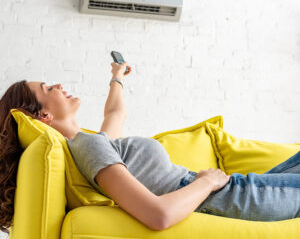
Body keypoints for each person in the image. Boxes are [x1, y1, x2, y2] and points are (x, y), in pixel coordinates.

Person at [0, 61, 299, 234]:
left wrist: (116, 77)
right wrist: (207, 181)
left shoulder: (90, 144)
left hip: (231, 193)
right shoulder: (88, 148)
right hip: (228, 196)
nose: (60, 86)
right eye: (49, 89)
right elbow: (158, 215)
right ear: (43, 116)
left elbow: (115, 115)